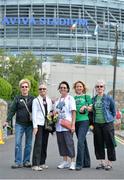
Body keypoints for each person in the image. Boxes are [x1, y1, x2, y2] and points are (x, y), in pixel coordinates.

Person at [5, 79, 34, 168]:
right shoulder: (17, 98)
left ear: (28, 88)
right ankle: (18, 162)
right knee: (18, 143)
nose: (24, 88)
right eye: (22, 87)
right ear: (20, 88)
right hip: (19, 124)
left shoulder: (33, 99)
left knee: (28, 144)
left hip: (30, 125)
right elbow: (12, 110)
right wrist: (7, 120)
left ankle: (26, 161)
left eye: (26, 86)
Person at [92, 80, 116, 171]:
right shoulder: (94, 99)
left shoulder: (108, 98)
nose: (99, 88)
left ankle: (109, 163)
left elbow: (113, 111)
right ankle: (102, 162)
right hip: (97, 124)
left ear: (104, 88)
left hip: (107, 124)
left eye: (101, 86)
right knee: (98, 143)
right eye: (97, 86)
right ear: (95, 88)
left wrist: (111, 120)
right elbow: (92, 110)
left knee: (110, 143)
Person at [54, 81, 76, 170]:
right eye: (61, 87)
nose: (63, 89)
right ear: (59, 89)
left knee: (69, 143)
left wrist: (73, 125)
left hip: (67, 125)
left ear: (67, 89)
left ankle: (73, 162)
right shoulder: (57, 100)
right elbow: (55, 112)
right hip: (59, 126)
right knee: (61, 144)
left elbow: (73, 112)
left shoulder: (70, 99)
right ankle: (65, 161)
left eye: (64, 88)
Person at [32, 83, 53, 171]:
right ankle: (35, 164)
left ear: (46, 90)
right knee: (38, 144)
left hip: (46, 124)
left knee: (44, 143)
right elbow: (34, 114)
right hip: (39, 124)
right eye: (40, 89)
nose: (42, 90)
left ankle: (42, 162)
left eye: (44, 89)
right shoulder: (36, 100)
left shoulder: (48, 100)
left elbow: (50, 111)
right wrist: (35, 126)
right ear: (38, 90)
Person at [73, 81, 92, 171]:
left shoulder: (87, 97)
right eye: (77, 86)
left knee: (80, 141)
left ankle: (79, 163)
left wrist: (85, 107)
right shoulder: (72, 98)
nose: (79, 88)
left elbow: (91, 107)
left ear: (83, 87)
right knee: (83, 142)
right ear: (75, 88)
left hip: (84, 121)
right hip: (75, 122)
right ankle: (87, 162)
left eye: (80, 86)